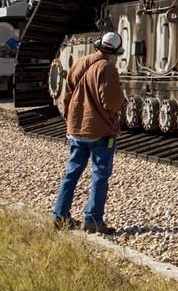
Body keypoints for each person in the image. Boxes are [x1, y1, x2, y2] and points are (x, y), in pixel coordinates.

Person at [52, 31, 126, 234]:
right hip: (100, 131)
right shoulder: (107, 68)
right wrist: (122, 100)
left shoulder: (81, 62)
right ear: (115, 52)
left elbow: (67, 92)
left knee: (72, 171)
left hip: (76, 128)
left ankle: (60, 215)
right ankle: (93, 219)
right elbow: (111, 101)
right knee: (100, 174)